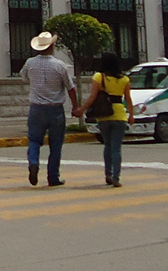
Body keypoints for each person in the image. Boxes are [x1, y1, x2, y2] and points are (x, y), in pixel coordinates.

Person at [21, 32, 77, 187]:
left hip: (36, 108)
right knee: (56, 145)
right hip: (55, 110)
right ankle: (53, 176)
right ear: (52, 46)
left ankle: (33, 162)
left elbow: (24, 78)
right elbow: (70, 88)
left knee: (34, 140)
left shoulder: (30, 63)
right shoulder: (59, 65)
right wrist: (75, 106)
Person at [78, 51, 131, 187]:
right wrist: (132, 115)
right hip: (120, 114)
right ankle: (116, 177)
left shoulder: (99, 77)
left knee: (107, 145)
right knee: (116, 148)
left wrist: (81, 110)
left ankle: (108, 173)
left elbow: (92, 97)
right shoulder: (124, 79)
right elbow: (128, 99)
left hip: (104, 115)